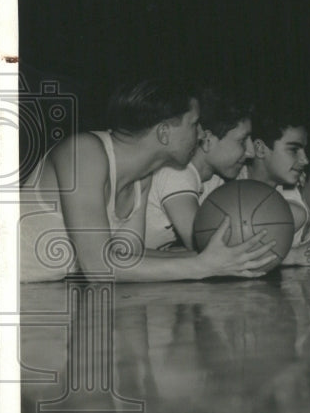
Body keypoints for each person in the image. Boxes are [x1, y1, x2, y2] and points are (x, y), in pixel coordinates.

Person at [18, 79, 275, 283]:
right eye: (194, 124)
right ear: (164, 132)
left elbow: (127, 257)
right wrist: (203, 265)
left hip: (33, 293)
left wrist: (224, 256)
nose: (201, 134)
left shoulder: (141, 179)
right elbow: (98, 267)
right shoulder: (83, 153)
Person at [143, 88, 254, 250]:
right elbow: (206, 250)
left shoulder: (217, 180)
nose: (250, 152)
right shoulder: (175, 171)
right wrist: (286, 256)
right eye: (242, 141)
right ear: (208, 140)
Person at [239, 106, 310, 231]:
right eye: (294, 150)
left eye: (304, 150)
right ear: (260, 149)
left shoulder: (289, 194)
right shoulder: (223, 181)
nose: (305, 160)